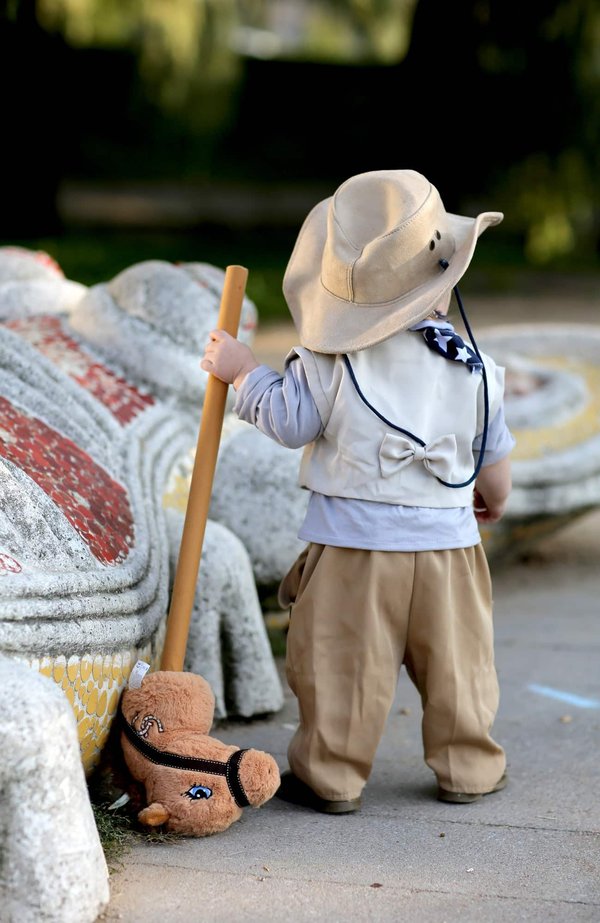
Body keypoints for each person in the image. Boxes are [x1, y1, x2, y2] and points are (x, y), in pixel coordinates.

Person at [201, 169, 515, 814]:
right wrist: (492, 496)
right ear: (442, 282)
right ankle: (469, 766)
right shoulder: (470, 364)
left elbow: (290, 423)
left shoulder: (327, 360)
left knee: (340, 667)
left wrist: (245, 372)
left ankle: (333, 776)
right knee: (459, 668)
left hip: (352, 548)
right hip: (448, 549)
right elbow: (494, 452)